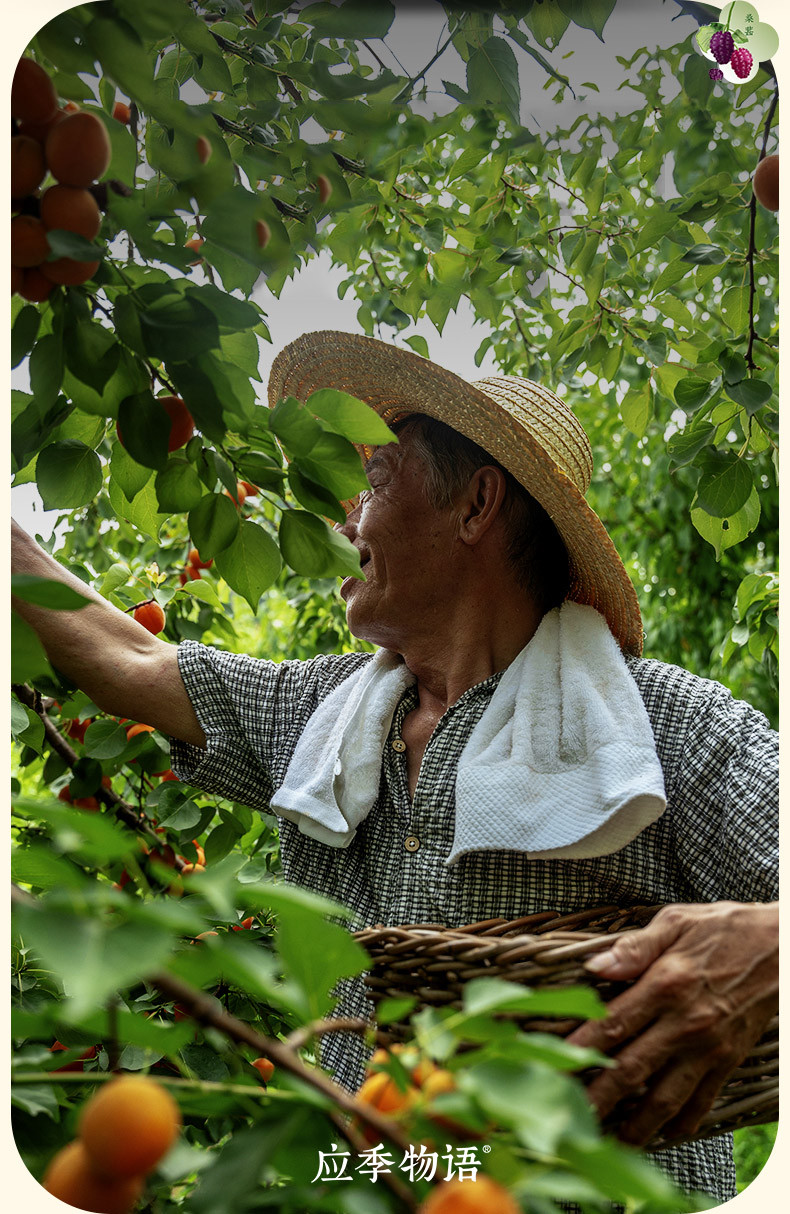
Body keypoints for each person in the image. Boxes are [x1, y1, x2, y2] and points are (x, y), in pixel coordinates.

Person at [11, 330, 778, 1207]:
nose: (346, 516)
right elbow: (133, 661)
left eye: (376, 479)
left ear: (477, 504)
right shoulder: (326, 715)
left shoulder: (663, 727)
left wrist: (765, 947)